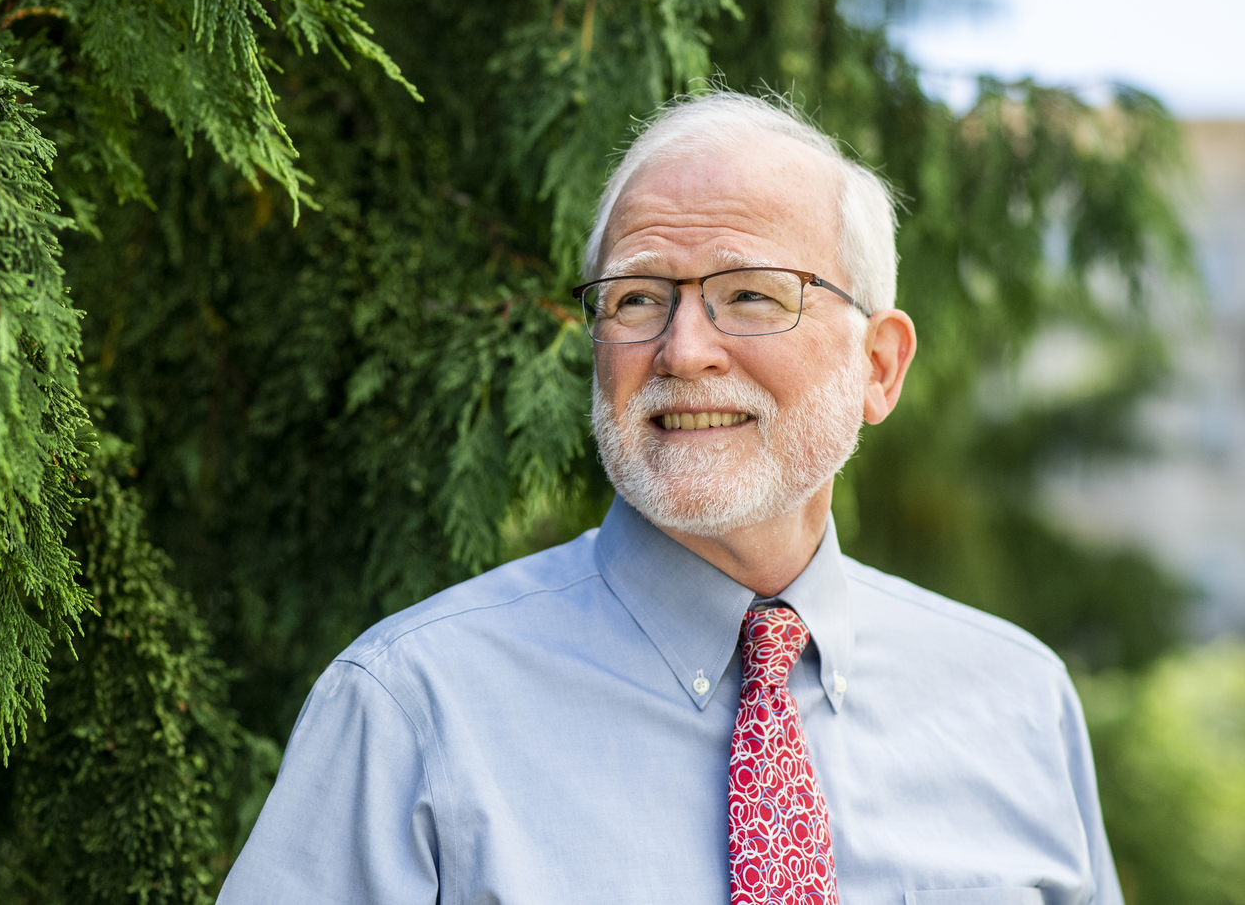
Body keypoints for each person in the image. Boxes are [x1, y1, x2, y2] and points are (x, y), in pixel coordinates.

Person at [218, 92, 1122, 905]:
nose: (683, 350)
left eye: (751, 294)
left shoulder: (1018, 700)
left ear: (878, 366)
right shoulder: (411, 712)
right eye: (639, 298)